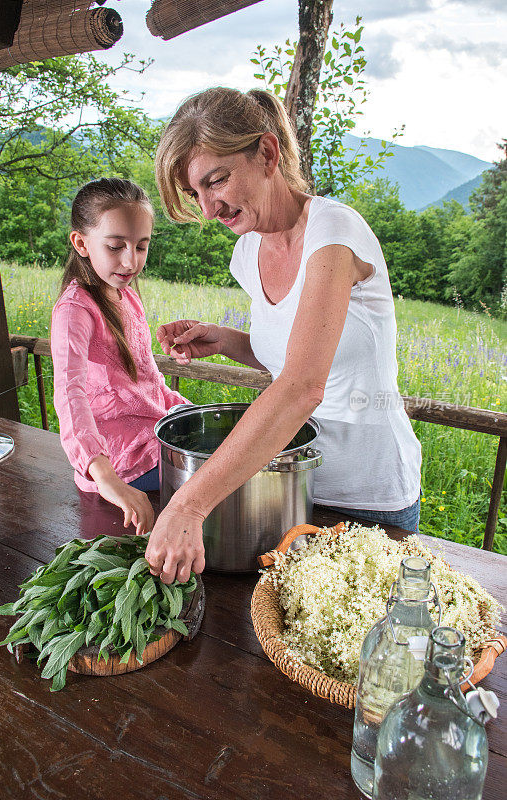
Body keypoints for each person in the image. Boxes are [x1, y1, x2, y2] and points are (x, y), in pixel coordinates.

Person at [145, 87, 422, 583]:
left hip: (367, 499)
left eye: (217, 180)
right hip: (291, 492)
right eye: (196, 193)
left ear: (268, 153)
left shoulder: (334, 233)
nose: (210, 208)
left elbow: (302, 385)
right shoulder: (247, 252)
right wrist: (228, 340)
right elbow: (295, 354)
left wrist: (187, 506)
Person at [51, 177, 188, 535]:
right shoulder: (74, 310)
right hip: (122, 465)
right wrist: (107, 479)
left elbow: (150, 383)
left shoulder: (127, 297)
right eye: (115, 246)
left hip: (153, 435)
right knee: (224, 467)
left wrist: (183, 409)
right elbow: (70, 395)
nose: (130, 261)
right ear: (81, 243)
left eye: (141, 246)